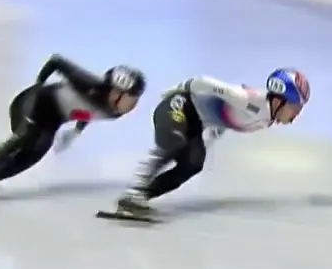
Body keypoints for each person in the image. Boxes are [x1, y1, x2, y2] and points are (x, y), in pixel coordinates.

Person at [0, 55, 146, 205]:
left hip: (52, 119)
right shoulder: (89, 84)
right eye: (130, 97)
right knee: (24, 138)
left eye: (136, 99)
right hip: (31, 103)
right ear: (115, 92)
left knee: (33, 155)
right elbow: (56, 62)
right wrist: (37, 87)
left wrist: (76, 130)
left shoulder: (115, 111)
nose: (132, 104)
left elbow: (89, 112)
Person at [113, 69, 310, 218]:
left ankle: (140, 197)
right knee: (175, 141)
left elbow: (225, 120)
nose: (296, 114)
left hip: (194, 122)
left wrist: (207, 141)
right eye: (295, 107)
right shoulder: (249, 100)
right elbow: (203, 82)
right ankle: (133, 189)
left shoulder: (265, 119)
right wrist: (177, 89)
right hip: (178, 106)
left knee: (194, 163)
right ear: (279, 100)